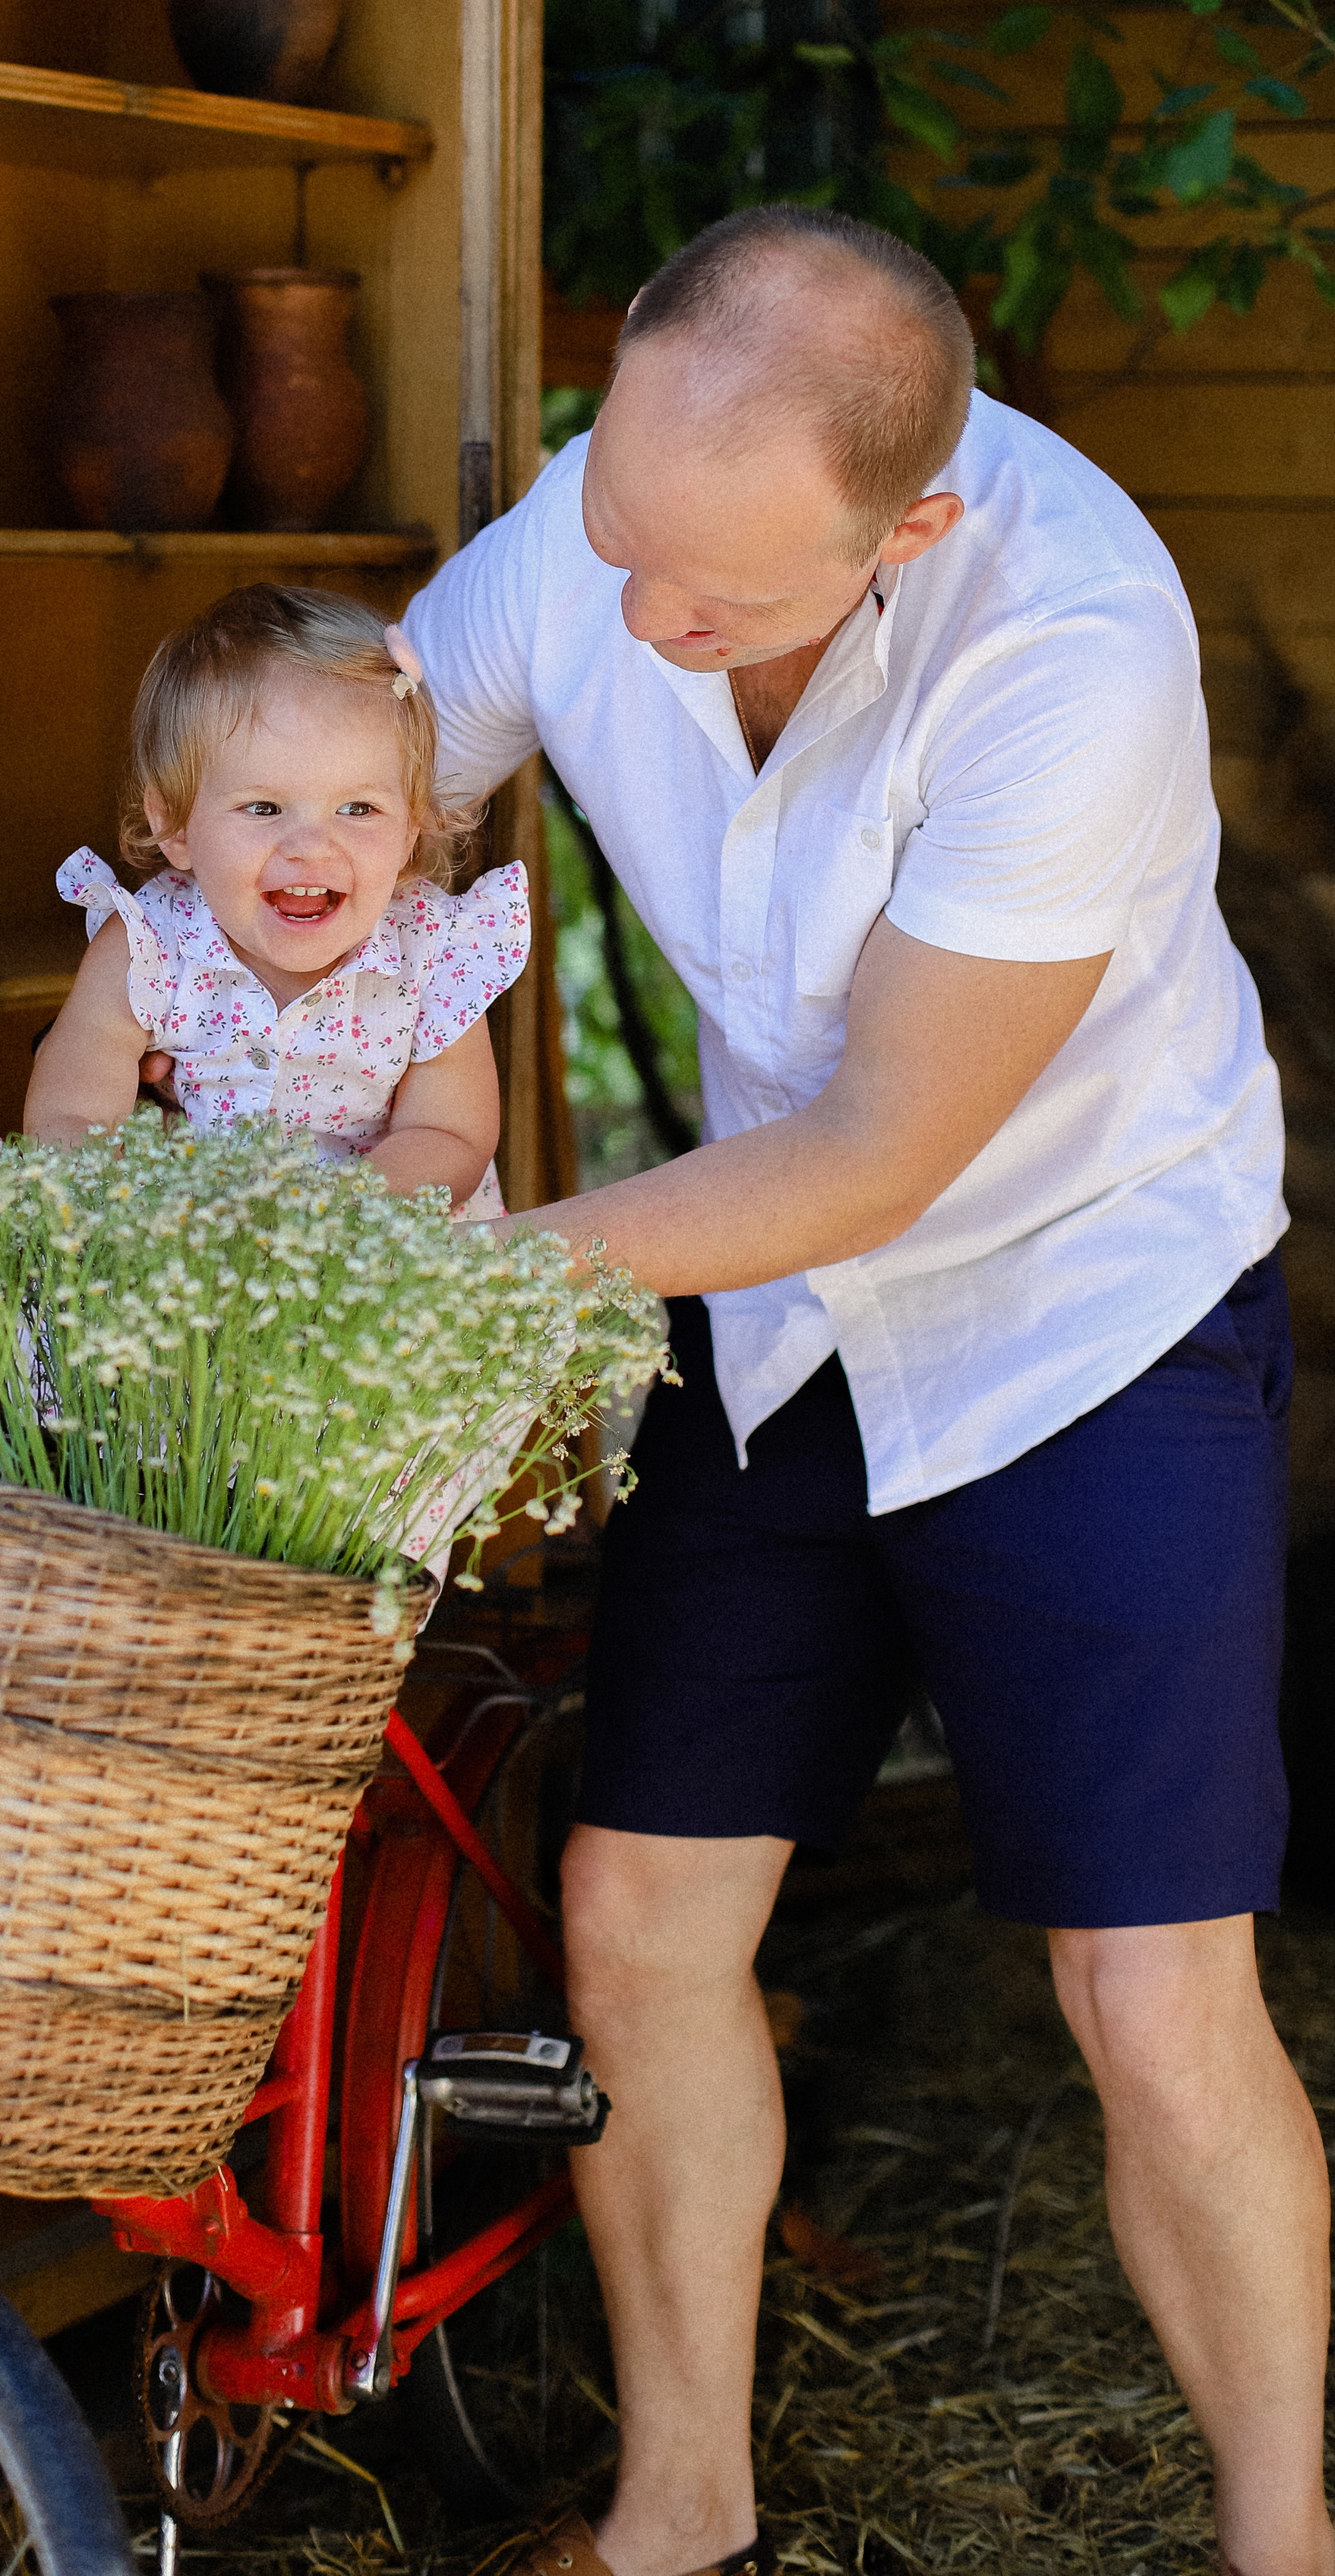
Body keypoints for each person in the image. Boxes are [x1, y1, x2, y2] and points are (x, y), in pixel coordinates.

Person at [399, 207, 1326, 2576]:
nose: (640, 622)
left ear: (909, 524)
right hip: (779, 1320)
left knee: (1145, 1987)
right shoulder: (613, 531)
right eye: (624, 541)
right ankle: (680, 2506)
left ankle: (1278, 2531)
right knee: (635, 1918)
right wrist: (378, 1092)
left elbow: (876, 1145)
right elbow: (368, 808)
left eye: (717, 597)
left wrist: (457, 1283)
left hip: (1075, 1308)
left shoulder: (1072, 639)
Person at [24, 582, 530, 1223]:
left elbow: (450, 1136)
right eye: (263, 808)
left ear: (410, 829)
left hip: (383, 1260)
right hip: (201, 1259)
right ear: (176, 826)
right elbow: (71, 1111)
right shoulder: (151, 945)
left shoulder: (432, 956)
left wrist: (332, 1224)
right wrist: (135, 1221)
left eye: (359, 808)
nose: (311, 848)